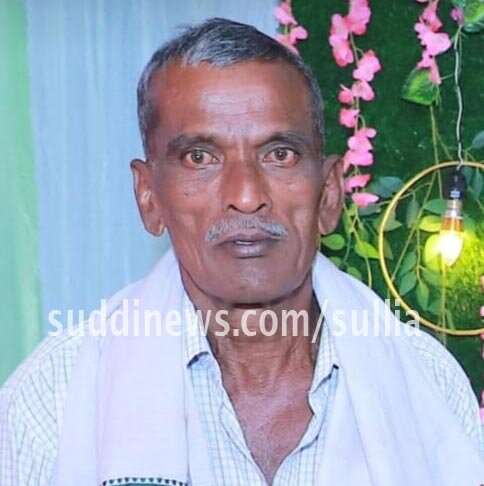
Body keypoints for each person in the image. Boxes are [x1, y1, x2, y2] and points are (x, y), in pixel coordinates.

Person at [0, 18, 482, 486]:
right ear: (148, 197)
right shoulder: (54, 397)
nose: (247, 196)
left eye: (279, 154)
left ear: (330, 194)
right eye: (200, 158)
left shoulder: (427, 384)